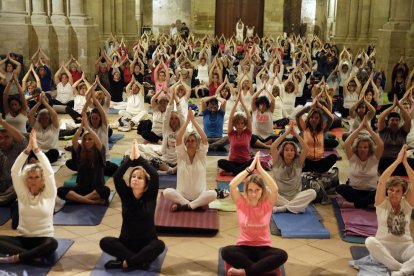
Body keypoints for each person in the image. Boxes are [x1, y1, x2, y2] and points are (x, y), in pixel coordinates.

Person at [99, 140, 165, 271]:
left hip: (147, 244)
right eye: (133, 177)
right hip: (126, 245)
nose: (135, 179)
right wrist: (130, 159)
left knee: (159, 245)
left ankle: (125, 263)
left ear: (146, 184)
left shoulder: (149, 196)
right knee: (104, 242)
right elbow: (117, 177)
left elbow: (154, 175)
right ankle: (137, 261)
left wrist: (140, 158)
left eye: (139, 178)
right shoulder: (126, 195)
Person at [221, 152, 288, 275]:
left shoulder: (267, 204)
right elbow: (232, 185)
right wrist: (250, 168)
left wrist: (260, 169)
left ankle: (246, 272)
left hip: (264, 249)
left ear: (262, 190)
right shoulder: (241, 203)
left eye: (257, 190)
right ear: (246, 191)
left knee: (282, 255)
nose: (253, 193)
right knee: (225, 252)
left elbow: (275, 189)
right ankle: (260, 271)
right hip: (244, 248)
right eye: (250, 190)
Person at [0, 130, 58, 264]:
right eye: (30, 177)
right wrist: (26, 150)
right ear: (26, 179)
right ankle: (31, 256)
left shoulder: (49, 194)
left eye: (37, 177)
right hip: (23, 240)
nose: (33, 180)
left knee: (52, 244)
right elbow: (15, 172)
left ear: (42, 179)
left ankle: (16, 258)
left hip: (44, 239)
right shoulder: (23, 194)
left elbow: (49, 172)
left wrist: (36, 149)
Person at [365, 145, 414, 276]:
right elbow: (381, 181)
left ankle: (402, 272)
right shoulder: (382, 203)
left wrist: (405, 162)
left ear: (403, 193)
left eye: (398, 191)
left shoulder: (407, 204)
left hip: (405, 247)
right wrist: (397, 161)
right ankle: (400, 267)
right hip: (383, 247)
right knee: (369, 241)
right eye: (391, 190)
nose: (393, 193)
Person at [163, 108, 217, 211]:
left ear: (197, 143)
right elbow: (178, 139)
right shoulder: (182, 155)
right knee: (167, 192)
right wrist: (187, 121)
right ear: (185, 143)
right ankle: (191, 205)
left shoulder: (201, 156)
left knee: (213, 194)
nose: (190, 142)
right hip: (182, 195)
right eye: (187, 141)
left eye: (193, 141)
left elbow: (204, 139)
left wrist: (194, 121)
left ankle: (187, 205)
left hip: (199, 195)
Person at [57, 113, 110, 205]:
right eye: (85, 139)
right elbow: (74, 142)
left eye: (90, 139)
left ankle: (79, 199)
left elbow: (98, 142)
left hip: (96, 188)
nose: (87, 141)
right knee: (60, 191)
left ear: (94, 140)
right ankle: (90, 201)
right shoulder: (80, 151)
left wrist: (88, 128)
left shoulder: (99, 151)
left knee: (106, 191)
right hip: (81, 188)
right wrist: (81, 127)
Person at [336, 116, 384, 208]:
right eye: (360, 147)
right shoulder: (353, 157)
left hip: (370, 191)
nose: (362, 149)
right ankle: (366, 204)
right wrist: (359, 128)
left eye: (365, 147)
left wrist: (369, 129)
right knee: (341, 188)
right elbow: (347, 143)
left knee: (383, 190)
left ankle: (355, 204)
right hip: (354, 190)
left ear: (369, 148)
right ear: (356, 148)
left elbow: (380, 144)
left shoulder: (374, 157)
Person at [271, 123, 316, 213]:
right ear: (282, 152)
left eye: (292, 150)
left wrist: (295, 134)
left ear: (295, 152)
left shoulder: (298, 163)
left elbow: (306, 148)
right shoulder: (277, 162)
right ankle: (295, 207)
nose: (289, 152)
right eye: (286, 150)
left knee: (312, 192)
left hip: (295, 196)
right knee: (267, 191)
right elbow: (273, 147)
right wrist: (286, 133)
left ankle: (284, 208)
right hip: (280, 196)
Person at [296, 95, 337, 173]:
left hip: (319, 160)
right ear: (309, 118)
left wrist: (321, 106)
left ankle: (316, 173)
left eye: (317, 118)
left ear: (320, 119)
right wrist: (310, 106)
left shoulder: (322, 129)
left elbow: (331, 118)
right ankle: (316, 173)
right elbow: (297, 116)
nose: (314, 120)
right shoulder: (304, 128)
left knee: (334, 157)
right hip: (307, 160)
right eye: (312, 117)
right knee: (296, 158)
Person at [218, 92, 252, 175]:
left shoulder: (247, 133)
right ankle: (240, 172)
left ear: (244, 124)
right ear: (234, 124)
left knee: (254, 161)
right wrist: (236, 102)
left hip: (245, 162)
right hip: (233, 162)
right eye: (237, 123)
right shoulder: (231, 133)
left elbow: (249, 117)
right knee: (220, 162)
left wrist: (242, 103)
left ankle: (233, 173)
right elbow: (230, 117)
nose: (240, 125)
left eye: (241, 123)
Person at [378, 96, 412, 175]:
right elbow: (381, 118)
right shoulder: (383, 131)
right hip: (385, 161)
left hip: (399, 161)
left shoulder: (403, 131)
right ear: (388, 122)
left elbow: (408, 120)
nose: (395, 122)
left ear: (399, 122)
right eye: (392, 120)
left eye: (397, 120)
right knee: (378, 162)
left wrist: (400, 106)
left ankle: (395, 172)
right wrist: (393, 106)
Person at [0, 118, 27, 206]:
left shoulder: (19, 149)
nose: (2, 140)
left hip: (15, 185)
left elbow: (21, 138)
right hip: (4, 183)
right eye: (0, 138)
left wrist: (3, 122)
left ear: (13, 139)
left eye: (6, 137)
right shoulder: (1, 150)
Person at [28, 93, 60, 164]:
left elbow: (54, 115)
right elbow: (30, 115)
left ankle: (39, 162)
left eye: (46, 118)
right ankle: (41, 162)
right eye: (42, 118)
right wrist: (39, 102)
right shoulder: (37, 125)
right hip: (37, 151)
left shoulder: (54, 126)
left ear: (49, 119)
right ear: (39, 119)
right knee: (28, 151)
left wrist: (45, 103)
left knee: (54, 153)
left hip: (50, 152)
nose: (44, 120)